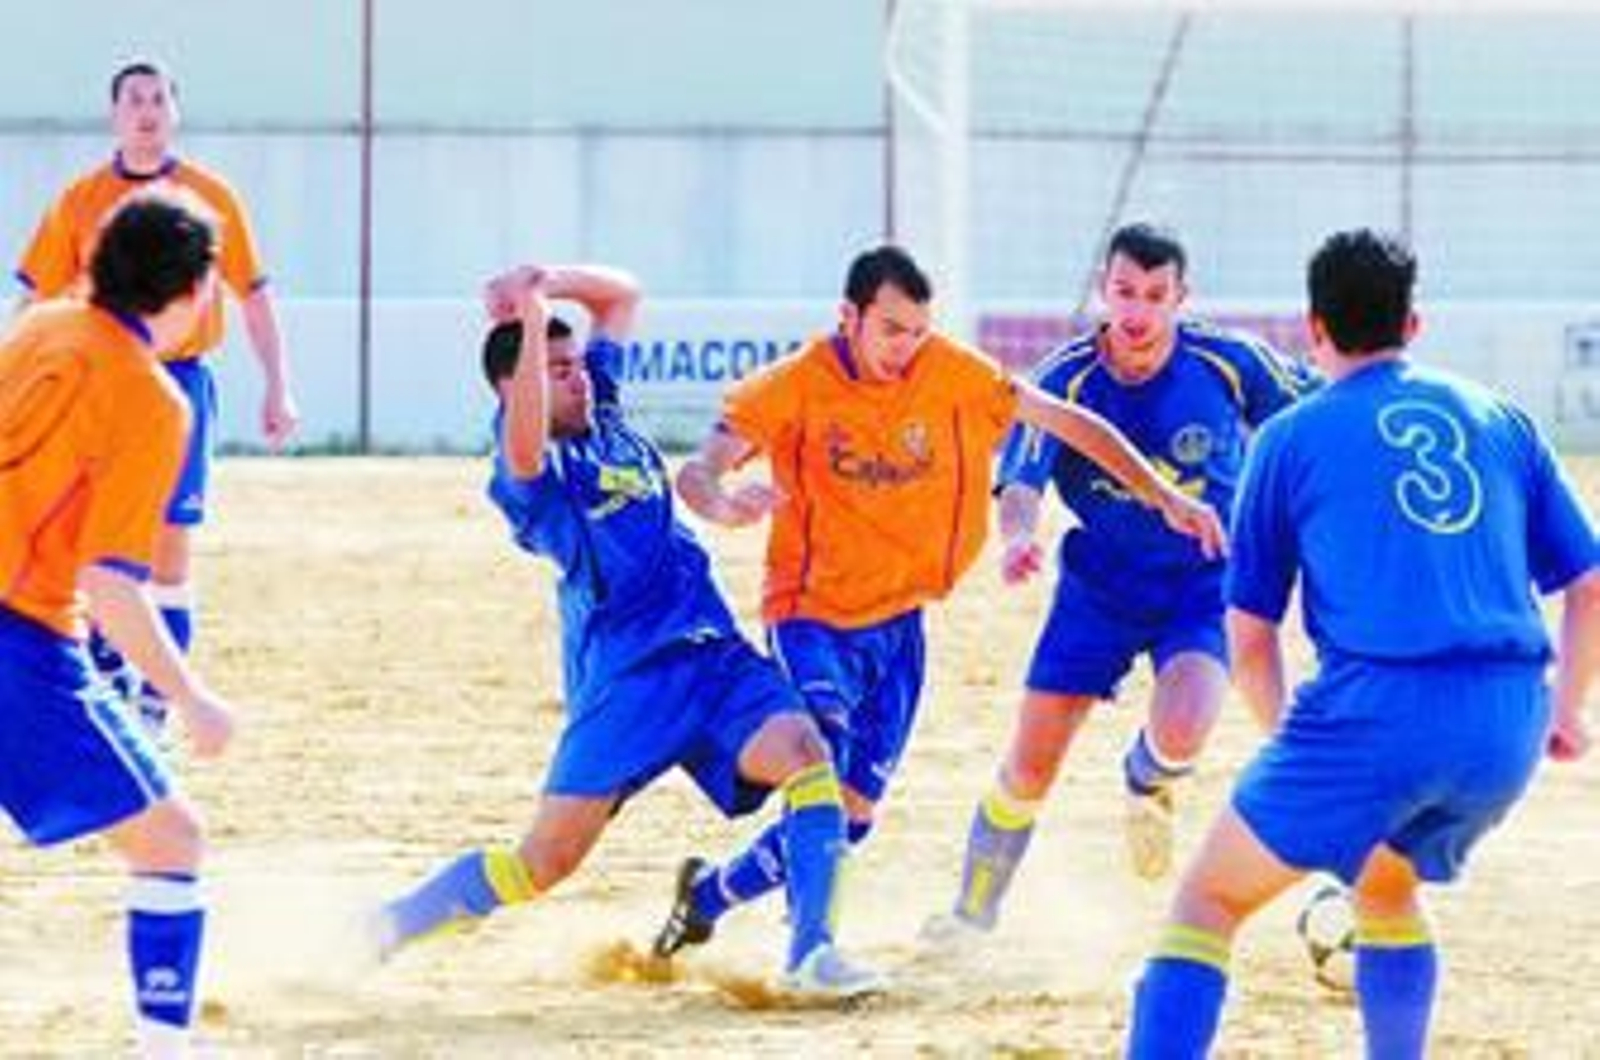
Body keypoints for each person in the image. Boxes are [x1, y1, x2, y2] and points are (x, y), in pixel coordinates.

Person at [650, 244, 1227, 965]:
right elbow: (698, 471)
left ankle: (704, 898)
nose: (906, 347)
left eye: (918, 330)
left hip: (900, 623)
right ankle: (811, 952)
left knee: (850, 819)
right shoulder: (793, 384)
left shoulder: (949, 370)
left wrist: (1164, 495)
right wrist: (726, 504)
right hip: (811, 615)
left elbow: (1068, 423)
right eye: (891, 329)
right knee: (818, 768)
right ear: (848, 317)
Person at [1125, 228, 1600, 1058]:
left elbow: (1250, 633)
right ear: (1413, 325)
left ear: (1313, 329)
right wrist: (1564, 710)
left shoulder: (1289, 438)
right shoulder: (1503, 418)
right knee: (1384, 888)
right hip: (1506, 727)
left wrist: (1291, 747)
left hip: (1377, 720)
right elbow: (1588, 586)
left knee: (1206, 904)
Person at [371, 262, 883, 999]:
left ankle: (812, 953)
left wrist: (542, 280)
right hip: (628, 683)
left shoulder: (601, 411)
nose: (575, 380)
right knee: (540, 864)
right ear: (515, 389)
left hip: (713, 660)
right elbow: (522, 448)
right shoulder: (529, 470)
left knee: (810, 755)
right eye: (553, 372)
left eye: (574, 365)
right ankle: (389, 928)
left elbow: (622, 296)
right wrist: (531, 315)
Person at [925, 223, 1310, 945]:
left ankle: (1148, 778)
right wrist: (1016, 539)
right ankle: (971, 914)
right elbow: (1021, 482)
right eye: (1125, 292)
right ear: (1105, 288)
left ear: (1180, 298)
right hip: (1099, 587)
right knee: (1032, 761)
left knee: (1187, 722)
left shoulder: (1228, 363)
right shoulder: (1065, 380)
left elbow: (1312, 419)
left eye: (1155, 296)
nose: (1137, 311)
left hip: (1205, 579)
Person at [0, 194, 240, 1059]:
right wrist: (193, 698)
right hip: (17, 642)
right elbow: (110, 583)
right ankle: (162, 1048)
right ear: (194, 290)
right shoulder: (151, 400)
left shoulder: (41, 326)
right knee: (172, 838)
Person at [14, 59, 298, 731]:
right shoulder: (80, 200)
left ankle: (155, 708)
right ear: (114, 115)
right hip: (95, 383)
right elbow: (34, 296)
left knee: (170, 544)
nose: (146, 111)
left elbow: (254, 295)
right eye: (133, 100)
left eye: (158, 99)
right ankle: (108, 678)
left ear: (175, 111)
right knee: (92, 537)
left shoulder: (208, 198)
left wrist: (279, 386)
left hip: (180, 380)